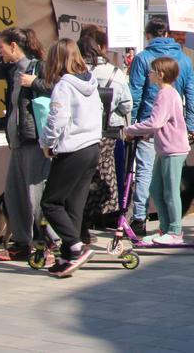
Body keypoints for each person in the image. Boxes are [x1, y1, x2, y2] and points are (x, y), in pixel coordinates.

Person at [38, 39, 104, 277]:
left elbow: (57, 119)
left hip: (73, 149)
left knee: (51, 202)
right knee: (73, 204)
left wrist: (46, 143)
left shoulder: (64, 87)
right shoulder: (91, 82)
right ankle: (67, 256)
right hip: (92, 146)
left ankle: (75, 246)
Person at [128, 18, 194, 237]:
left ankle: (148, 221)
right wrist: (191, 126)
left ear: (148, 35)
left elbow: (135, 94)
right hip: (168, 134)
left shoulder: (143, 59)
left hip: (158, 133)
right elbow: (193, 94)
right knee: (159, 185)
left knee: (149, 177)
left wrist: (132, 127)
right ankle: (165, 227)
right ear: (167, 33)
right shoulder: (185, 59)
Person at [0, 27, 54, 261]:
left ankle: (48, 243)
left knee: (36, 195)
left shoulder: (39, 67)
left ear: (13, 46)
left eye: (2, 47)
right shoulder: (12, 72)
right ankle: (22, 243)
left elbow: (59, 90)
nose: (0, 52)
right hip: (18, 141)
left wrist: (35, 83)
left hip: (35, 141)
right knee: (14, 194)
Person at [124, 57, 190, 244]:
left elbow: (156, 121)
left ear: (160, 74)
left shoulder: (165, 94)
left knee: (170, 190)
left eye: (152, 71)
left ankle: (175, 231)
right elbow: (164, 122)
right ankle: (165, 229)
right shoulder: (167, 93)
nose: (149, 74)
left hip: (173, 149)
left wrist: (130, 129)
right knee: (155, 188)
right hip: (166, 148)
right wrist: (150, 134)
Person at [78, 25, 131, 240]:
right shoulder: (115, 73)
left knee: (80, 178)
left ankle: (80, 223)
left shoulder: (76, 72)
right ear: (101, 47)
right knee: (102, 177)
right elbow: (127, 105)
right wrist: (112, 115)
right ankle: (97, 217)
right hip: (107, 134)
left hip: (81, 134)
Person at [170, 31, 194, 103]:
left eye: (183, 34)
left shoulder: (193, 55)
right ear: (168, 35)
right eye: (177, 34)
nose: (181, 37)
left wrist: (189, 88)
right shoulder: (162, 54)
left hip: (186, 101)